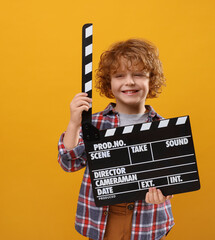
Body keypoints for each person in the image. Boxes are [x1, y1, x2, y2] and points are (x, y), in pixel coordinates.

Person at [57, 39, 175, 240]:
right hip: (104, 218)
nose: (129, 82)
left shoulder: (163, 128)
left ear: (151, 80)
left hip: (148, 219)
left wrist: (166, 190)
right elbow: (69, 163)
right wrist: (74, 124)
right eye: (119, 75)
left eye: (138, 74)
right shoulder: (93, 123)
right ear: (109, 83)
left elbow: (172, 175)